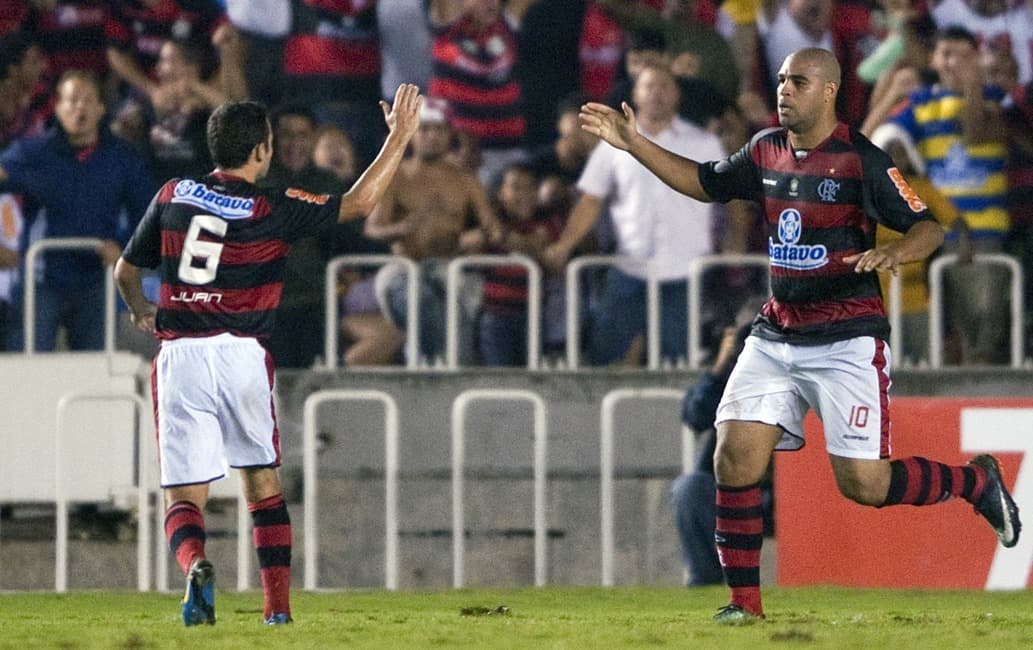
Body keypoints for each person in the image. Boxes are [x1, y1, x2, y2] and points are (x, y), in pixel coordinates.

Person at [578, 47, 1021, 623]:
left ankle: (974, 482)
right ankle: (744, 606)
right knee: (734, 458)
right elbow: (704, 181)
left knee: (864, 484)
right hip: (777, 331)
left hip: (847, 337)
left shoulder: (862, 160)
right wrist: (634, 143)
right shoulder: (765, 149)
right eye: (782, 79)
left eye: (800, 81)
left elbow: (928, 226)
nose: (785, 89)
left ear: (830, 91)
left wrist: (897, 251)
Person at [112, 84, 423, 626]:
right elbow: (361, 203)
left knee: (183, 494)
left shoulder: (172, 195)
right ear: (261, 150)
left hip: (180, 355)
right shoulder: (272, 206)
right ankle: (276, 610)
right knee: (261, 486)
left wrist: (142, 309)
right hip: (241, 355)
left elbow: (125, 271)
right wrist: (397, 138)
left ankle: (195, 566)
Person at [544, 64, 726, 366]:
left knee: (679, 361)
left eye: (664, 86)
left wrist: (736, 238)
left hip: (686, 269)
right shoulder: (613, 145)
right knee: (606, 356)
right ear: (635, 95)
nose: (657, 94)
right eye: (649, 87)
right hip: (630, 266)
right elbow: (591, 200)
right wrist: (564, 245)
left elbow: (729, 198)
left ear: (678, 94)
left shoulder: (705, 143)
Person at [0, 69, 155, 351]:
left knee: (95, 370)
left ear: (101, 108)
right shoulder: (34, 153)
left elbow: (146, 216)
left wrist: (123, 249)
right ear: (58, 107)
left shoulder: (122, 158)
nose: (79, 108)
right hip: (41, 278)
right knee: (26, 366)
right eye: (71, 100)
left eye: (86, 100)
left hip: (96, 279)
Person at [366, 97, 503, 365]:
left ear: (450, 134)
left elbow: (493, 228)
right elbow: (372, 229)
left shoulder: (465, 179)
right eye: (425, 129)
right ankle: (436, 364)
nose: (432, 137)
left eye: (439, 130)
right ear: (412, 133)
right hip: (405, 269)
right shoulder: (395, 176)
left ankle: (445, 368)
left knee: (454, 306)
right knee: (420, 297)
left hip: (450, 267)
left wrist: (482, 237)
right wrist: (401, 228)